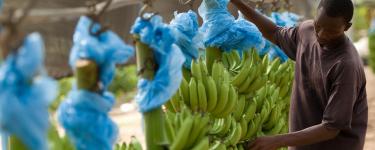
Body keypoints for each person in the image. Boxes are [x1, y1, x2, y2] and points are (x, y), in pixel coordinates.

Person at [230, 0, 368, 149]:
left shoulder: (346, 65)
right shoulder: (307, 32)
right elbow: (274, 32)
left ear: (346, 27)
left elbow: (331, 128)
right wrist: (238, 3)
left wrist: (277, 140)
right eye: (318, 26)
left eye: (331, 31)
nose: (321, 35)